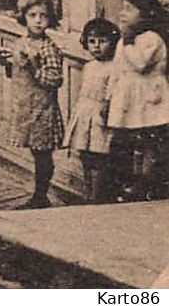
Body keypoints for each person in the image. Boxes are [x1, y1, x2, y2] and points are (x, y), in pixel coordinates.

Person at [0, 0, 64, 209]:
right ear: (24, 17)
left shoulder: (48, 47)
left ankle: (40, 195)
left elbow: (54, 79)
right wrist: (8, 62)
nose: (38, 21)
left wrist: (33, 68)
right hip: (26, 105)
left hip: (42, 108)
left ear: (50, 20)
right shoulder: (22, 42)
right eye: (32, 16)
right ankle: (38, 194)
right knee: (36, 151)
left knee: (43, 153)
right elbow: (16, 73)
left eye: (43, 16)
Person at [111, 0, 169, 201]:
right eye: (122, 8)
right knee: (131, 141)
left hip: (149, 97)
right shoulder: (127, 38)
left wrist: (127, 43)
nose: (122, 13)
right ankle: (132, 184)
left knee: (149, 140)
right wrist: (109, 98)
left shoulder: (151, 39)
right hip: (129, 97)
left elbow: (140, 64)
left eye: (129, 9)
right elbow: (117, 70)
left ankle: (147, 183)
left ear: (145, 14)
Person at [67, 17, 122, 203]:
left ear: (113, 43)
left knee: (100, 156)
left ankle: (97, 197)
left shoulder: (114, 68)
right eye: (92, 41)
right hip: (85, 113)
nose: (96, 46)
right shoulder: (89, 66)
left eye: (102, 41)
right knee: (85, 154)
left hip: (100, 117)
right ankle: (88, 191)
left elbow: (113, 95)